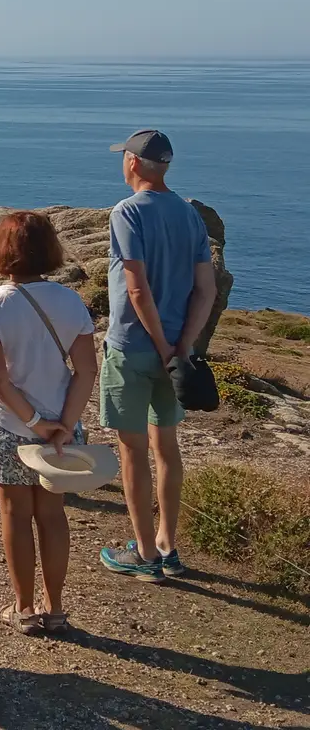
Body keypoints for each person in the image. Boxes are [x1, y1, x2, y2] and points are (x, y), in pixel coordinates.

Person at [99, 130, 218, 583]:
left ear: (132, 163)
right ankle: (169, 546)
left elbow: (136, 287)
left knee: (132, 450)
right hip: (177, 354)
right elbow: (205, 290)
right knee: (166, 447)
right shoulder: (190, 216)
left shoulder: (127, 212)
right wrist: (182, 345)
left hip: (132, 347)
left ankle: (144, 554)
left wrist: (160, 343)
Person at [0, 211, 98, 634]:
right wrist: (64, 424)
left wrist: (32, 420)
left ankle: (24, 609)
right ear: (49, 250)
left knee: (14, 513)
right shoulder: (71, 301)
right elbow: (86, 371)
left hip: (6, 424)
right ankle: (56, 608)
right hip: (62, 425)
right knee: (53, 516)